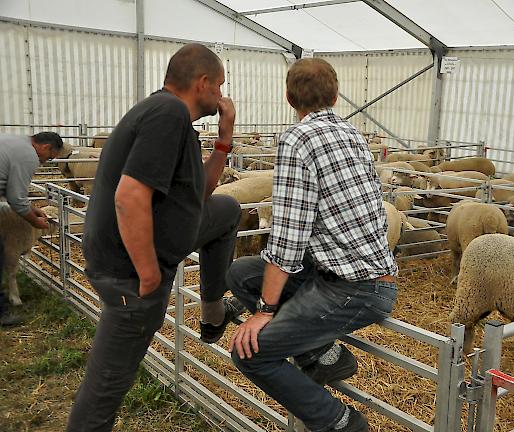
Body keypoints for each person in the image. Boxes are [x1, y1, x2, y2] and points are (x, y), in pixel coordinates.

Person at [67, 43, 243, 431]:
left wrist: (225, 138)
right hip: (130, 274)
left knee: (228, 211)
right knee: (106, 389)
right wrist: (149, 275)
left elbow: (201, 195)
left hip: (140, 257)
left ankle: (213, 311)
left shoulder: (170, 116)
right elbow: (129, 197)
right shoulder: (169, 114)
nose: (222, 94)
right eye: (220, 85)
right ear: (203, 84)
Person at [226, 58, 398, 432]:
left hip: (356, 288)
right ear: (336, 96)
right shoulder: (354, 135)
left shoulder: (295, 139)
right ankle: (325, 355)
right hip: (352, 273)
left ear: (289, 99)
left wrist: (265, 309)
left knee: (249, 353)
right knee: (241, 272)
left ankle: (338, 421)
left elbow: (288, 233)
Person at [0, 131, 63, 326]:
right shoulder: (28, 155)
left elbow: (13, 195)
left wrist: (32, 209)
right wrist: (35, 222)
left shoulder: (15, 139)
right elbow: (17, 199)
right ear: (45, 147)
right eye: (49, 157)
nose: (45, 162)